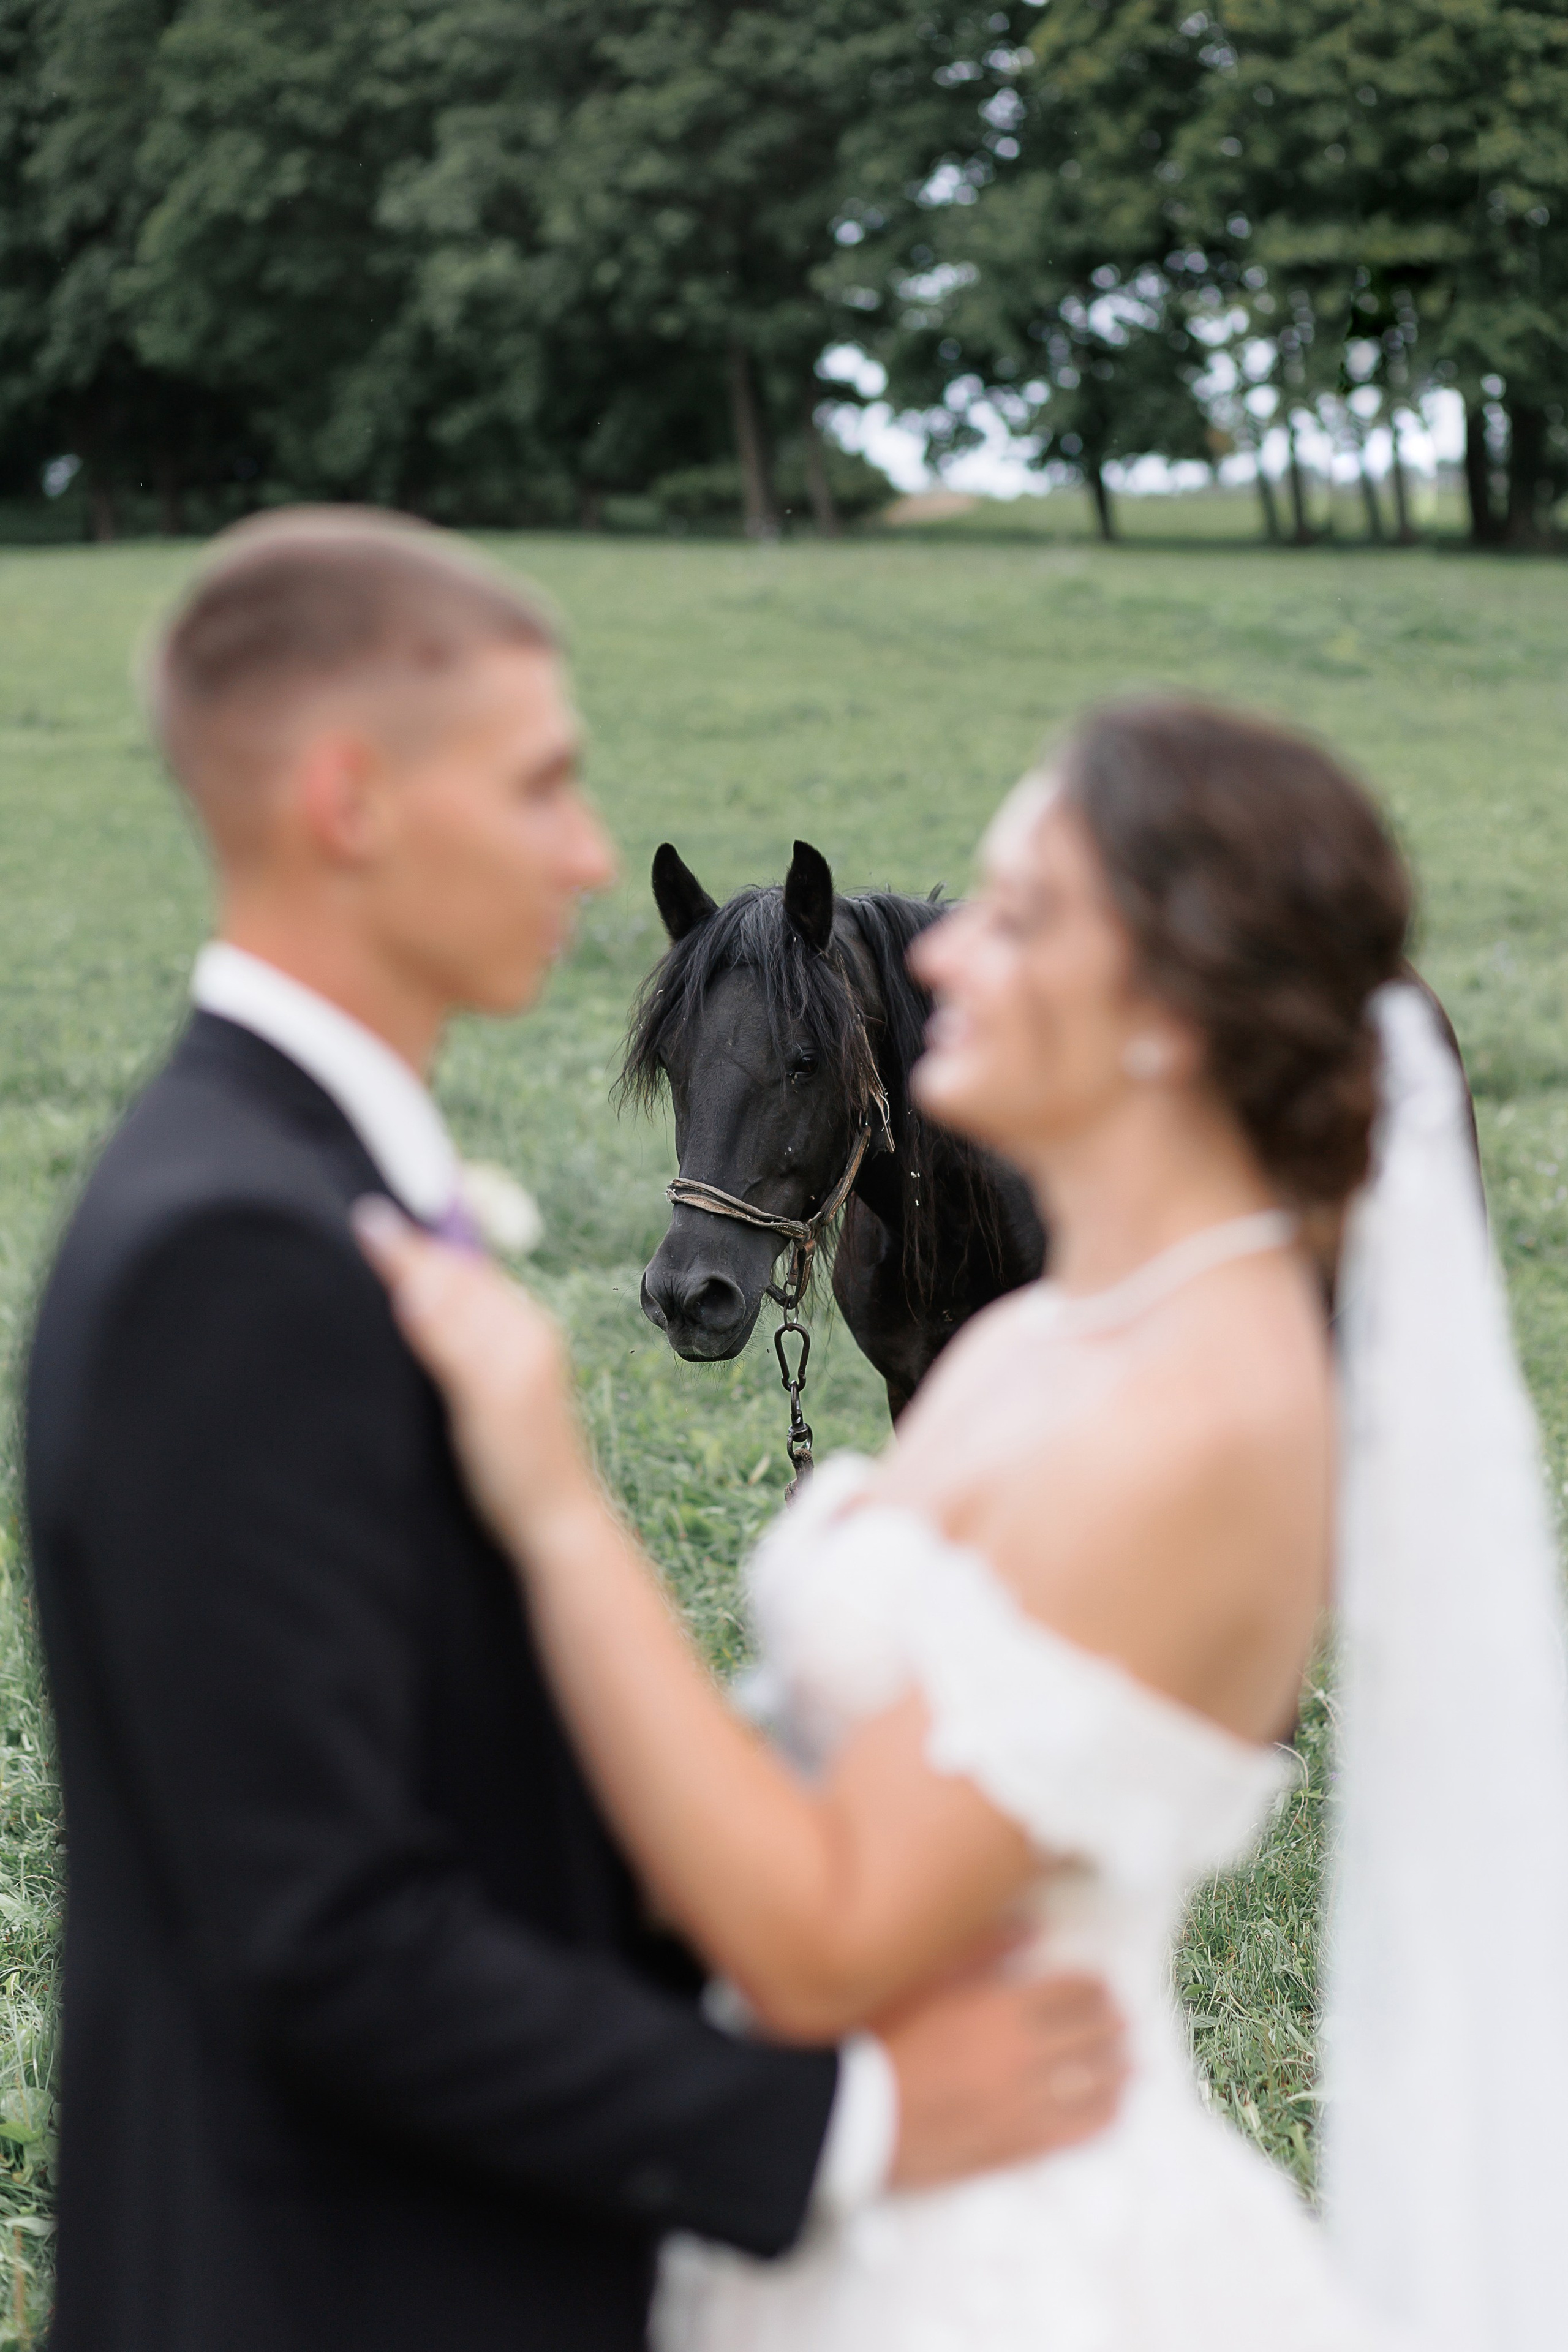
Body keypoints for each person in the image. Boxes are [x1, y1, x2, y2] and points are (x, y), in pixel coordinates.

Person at [23, 508, 1128, 2352]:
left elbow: (438, 1781)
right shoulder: (226, 1246)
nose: (591, 851)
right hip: (329, 2285)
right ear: (349, 801)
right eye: (541, 788)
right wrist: (850, 2120)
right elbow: (322, 1936)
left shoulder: (287, 1181)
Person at [358, 698, 1568, 2352]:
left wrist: (552, 1514)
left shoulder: (1201, 1425)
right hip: (850, 2173)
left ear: (1169, 1008)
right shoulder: (1034, 1339)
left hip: (1006, 2249)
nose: (930, 956)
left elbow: (830, 1924)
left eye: (1017, 913)